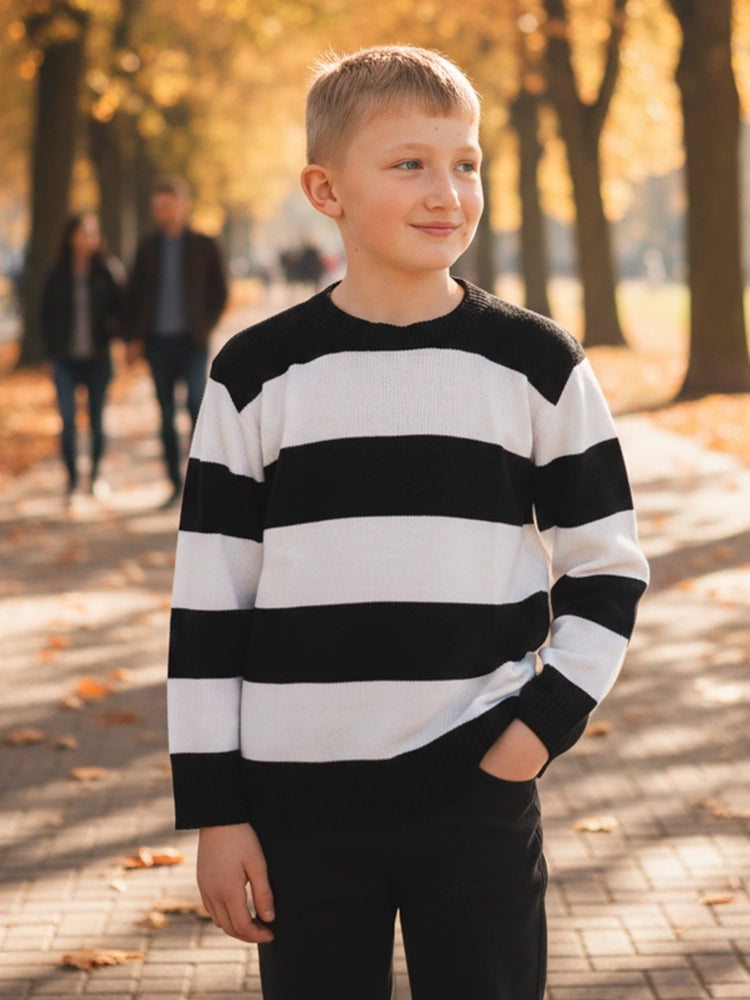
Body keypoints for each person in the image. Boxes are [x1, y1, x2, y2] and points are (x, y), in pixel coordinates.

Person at [167, 45, 650, 1000]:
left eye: (465, 162)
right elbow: (209, 604)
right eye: (409, 164)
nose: (448, 191)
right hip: (297, 803)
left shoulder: (536, 364)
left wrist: (535, 736)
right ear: (325, 188)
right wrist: (216, 817)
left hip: (474, 788)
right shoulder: (256, 373)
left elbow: (608, 567)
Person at [126, 177, 228, 506]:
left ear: (182, 205)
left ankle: (203, 480)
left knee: (197, 406)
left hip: (192, 342)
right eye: (157, 207)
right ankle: (174, 483)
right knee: (165, 412)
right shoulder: (147, 247)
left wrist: (205, 325)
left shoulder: (203, 244)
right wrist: (134, 339)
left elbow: (220, 290)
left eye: (167, 205)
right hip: (158, 344)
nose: (161, 212)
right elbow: (136, 293)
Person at [40, 213, 122, 501]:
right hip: (65, 359)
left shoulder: (107, 272)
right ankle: (73, 481)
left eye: (92, 233)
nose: (87, 238)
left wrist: (117, 339)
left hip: (98, 358)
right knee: (67, 420)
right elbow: (44, 315)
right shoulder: (56, 274)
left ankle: (97, 476)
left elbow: (120, 310)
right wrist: (49, 355)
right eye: (81, 232)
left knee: (97, 421)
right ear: (70, 237)